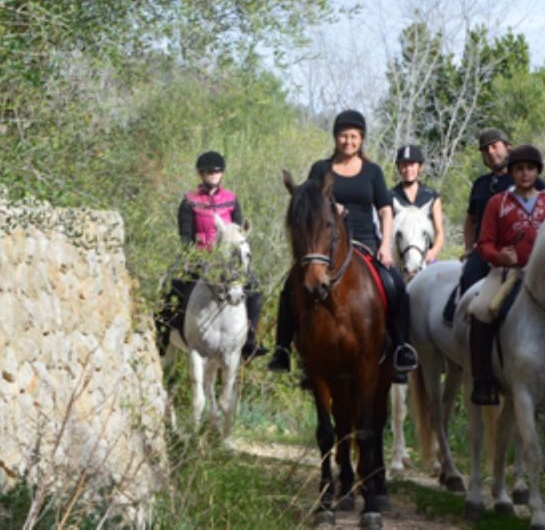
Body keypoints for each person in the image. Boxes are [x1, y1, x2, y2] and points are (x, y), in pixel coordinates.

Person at [267, 110, 419, 381]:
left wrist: (385, 245)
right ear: (335, 137)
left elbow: (385, 211)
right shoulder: (320, 169)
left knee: (395, 284)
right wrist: (328, 208)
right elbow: (309, 204)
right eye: (343, 136)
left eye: (353, 136)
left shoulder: (372, 172)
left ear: (361, 139)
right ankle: (283, 349)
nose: (348, 141)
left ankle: (401, 348)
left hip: (365, 242)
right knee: (291, 285)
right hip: (324, 245)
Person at [468, 144, 545, 405]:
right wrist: (499, 256)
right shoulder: (498, 203)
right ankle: (483, 380)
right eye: (519, 169)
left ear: (537, 171)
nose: (524, 174)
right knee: (480, 310)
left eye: (530, 168)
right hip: (508, 272)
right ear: (511, 172)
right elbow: (484, 243)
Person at [155, 151, 268, 362]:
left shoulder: (231, 199)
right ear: (201, 174)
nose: (213, 175)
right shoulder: (189, 201)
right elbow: (185, 237)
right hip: (198, 257)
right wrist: (198, 256)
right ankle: (164, 332)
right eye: (208, 172)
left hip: (227, 260)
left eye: (216, 172)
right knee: (172, 285)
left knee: (255, 289)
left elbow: (238, 232)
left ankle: (250, 339)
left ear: (222, 173)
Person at [442, 128, 545, 325]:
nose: (490, 152)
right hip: (486, 249)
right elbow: (471, 219)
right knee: (468, 280)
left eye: (494, 147)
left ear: (508, 147)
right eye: (485, 150)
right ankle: (462, 326)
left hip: (525, 251)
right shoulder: (480, 184)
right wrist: (468, 248)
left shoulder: (532, 182)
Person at [391, 144, 445, 265]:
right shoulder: (390, 197)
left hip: (425, 257)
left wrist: (433, 252)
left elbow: (440, 232)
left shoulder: (431, 197)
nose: (408, 169)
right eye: (404, 165)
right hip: (398, 259)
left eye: (412, 165)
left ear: (420, 167)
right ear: (398, 167)